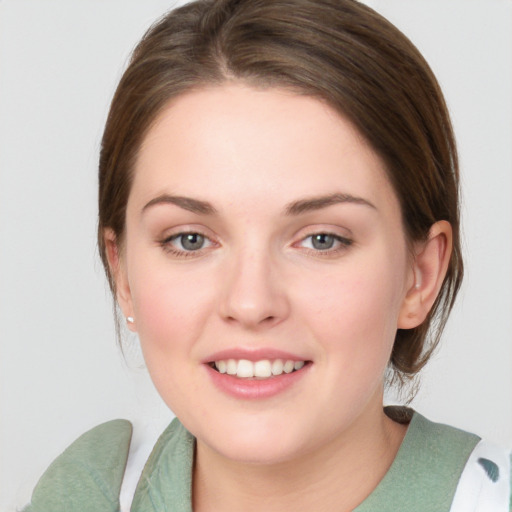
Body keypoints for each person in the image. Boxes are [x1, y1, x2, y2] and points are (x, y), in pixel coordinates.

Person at [23, 0, 511, 510]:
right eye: (190, 239)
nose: (251, 303)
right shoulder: (86, 491)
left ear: (420, 275)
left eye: (322, 239)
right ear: (122, 272)